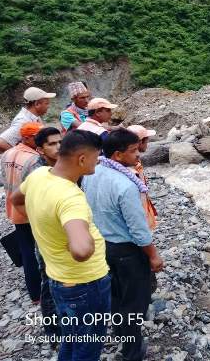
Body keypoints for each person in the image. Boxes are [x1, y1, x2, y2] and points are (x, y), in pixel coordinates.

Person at [11, 130, 110, 361]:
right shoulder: (70, 197)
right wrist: (87, 240)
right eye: (97, 157)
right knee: (88, 346)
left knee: (72, 336)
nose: (98, 162)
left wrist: (40, 222)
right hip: (86, 283)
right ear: (82, 159)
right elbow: (81, 250)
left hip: (58, 279)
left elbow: (15, 199)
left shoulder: (40, 174)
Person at [82, 129, 164, 361]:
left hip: (102, 245)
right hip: (127, 251)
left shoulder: (92, 172)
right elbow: (139, 231)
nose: (138, 155)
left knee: (116, 296)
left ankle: (121, 334)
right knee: (134, 304)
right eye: (133, 150)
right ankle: (132, 352)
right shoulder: (126, 185)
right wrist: (153, 256)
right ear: (117, 155)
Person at [21, 127, 62, 336]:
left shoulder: (61, 164)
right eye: (52, 144)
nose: (58, 147)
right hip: (46, 236)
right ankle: (53, 329)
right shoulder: (36, 171)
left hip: (63, 231)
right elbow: (20, 200)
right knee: (49, 279)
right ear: (40, 149)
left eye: (60, 142)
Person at [0, 122, 44, 303]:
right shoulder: (33, 159)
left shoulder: (7, 154)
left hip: (14, 209)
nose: (42, 141)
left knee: (26, 251)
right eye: (38, 137)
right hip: (29, 211)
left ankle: (34, 294)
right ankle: (46, 291)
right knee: (41, 251)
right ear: (26, 138)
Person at [0, 87, 55, 153]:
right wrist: (22, 155)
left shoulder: (35, 117)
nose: (48, 106)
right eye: (46, 103)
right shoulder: (23, 121)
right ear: (37, 104)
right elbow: (1, 143)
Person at [127, 125, 158, 232]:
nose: (147, 144)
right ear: (140, 142)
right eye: (146, 141)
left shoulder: (133, 162)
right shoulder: (131, 167)